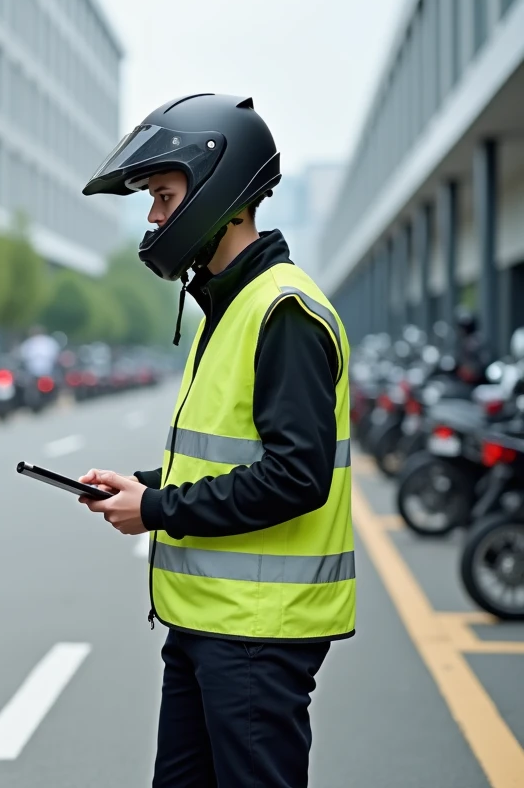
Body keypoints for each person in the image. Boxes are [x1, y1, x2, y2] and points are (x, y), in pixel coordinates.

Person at [78, 95, 355, 788]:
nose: (152, 217)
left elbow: (296, 475)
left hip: (258, 636)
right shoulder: (226, 305)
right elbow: (226, 453)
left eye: (164, 197)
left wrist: (160, 509)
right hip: (207, 626)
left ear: (223, 195)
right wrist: (143, 485)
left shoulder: (282, 311)